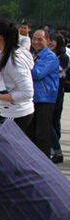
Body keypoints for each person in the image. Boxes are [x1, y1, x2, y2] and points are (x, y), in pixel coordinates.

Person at [0, 18, 34, 138]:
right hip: (12, 111)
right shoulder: (9, 53)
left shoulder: (12, 59)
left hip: (16, 113)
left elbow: (27, 92)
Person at [30, 29, 59, 157]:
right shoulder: (34, 54)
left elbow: (37, 74)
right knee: (31, 133)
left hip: (45, 99)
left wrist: (26, 64)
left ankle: (44, 161)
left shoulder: (50, 56)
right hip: (33, 98)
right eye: (34, 39)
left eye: (40, 39)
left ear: (47, 40)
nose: (36, 42)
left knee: (42, 134)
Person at [49, 33, 69, 163]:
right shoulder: (48, 55)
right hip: (50, 91)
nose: (50, 42)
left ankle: (56, 149)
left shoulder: (64, 57)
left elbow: (56, 70)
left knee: (53, 121)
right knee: (51, 121)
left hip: (57, 92)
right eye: (49, 40)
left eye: (53, 40)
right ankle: (54, 149)